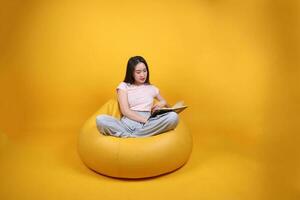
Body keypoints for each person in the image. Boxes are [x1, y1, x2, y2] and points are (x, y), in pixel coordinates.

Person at [96, 56, 179, 138]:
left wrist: (163, 103)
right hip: (127, 125)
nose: (142, 75)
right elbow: (125, 111)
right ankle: (138, 135)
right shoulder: (124, 86)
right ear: (131, 73)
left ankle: (131, 135)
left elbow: (170, 108)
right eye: (138, 72)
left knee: (173, 117)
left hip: (148, 125)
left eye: (144, 71)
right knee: (100, 120)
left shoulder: (152, 88)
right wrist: (145, 121)